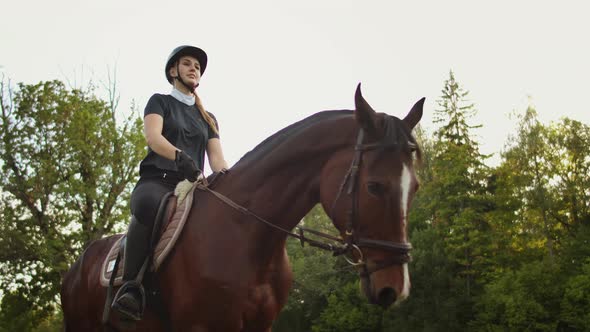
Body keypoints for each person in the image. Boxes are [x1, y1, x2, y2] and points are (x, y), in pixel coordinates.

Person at [111, 45, 229, 321]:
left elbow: (218, 162)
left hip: (192, 188)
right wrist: (180, 157)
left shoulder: (208, 119)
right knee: (148, 205)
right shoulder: (159, 101)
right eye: (187, 64)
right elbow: (153, 138)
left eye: (197, 67)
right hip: (159, 180)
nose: (193, 68)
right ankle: (131, 287)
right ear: (173, 71)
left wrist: (233, 181)